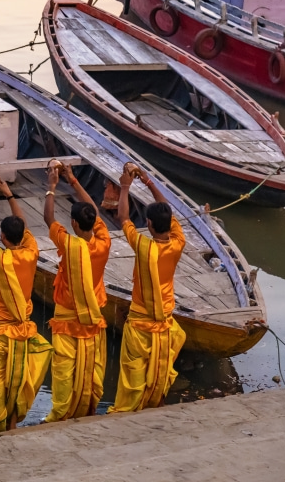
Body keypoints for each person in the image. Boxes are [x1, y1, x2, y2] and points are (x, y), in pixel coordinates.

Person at [0, 174, 52, 432]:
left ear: (3, 238)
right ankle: (12, 423)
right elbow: (25, 227)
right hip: (20, 330)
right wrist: (8, 194)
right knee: (15, 379)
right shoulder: (31, 253)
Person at [108, 163, 187, 413]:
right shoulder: (178, 243)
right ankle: (157, 403)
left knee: (134, 374)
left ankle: (131, 410)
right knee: (159, 372)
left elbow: (123, 218)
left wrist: (125, 186)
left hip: (141, 324)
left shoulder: (143, 247)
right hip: (164, 323)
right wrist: (149, 182)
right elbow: (169, 212)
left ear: (150, 225)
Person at [42, 164, 110, 422]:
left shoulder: (69, 245)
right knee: (90, 367)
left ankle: (61, 414)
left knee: (63, 370)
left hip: (67, 318)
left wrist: (51, 187)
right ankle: (87, 408)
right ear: (93, 221)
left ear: (72, 223)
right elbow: (93, 209)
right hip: (92, 318)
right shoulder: (104, 243)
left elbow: (49, 219)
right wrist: (73, 180)